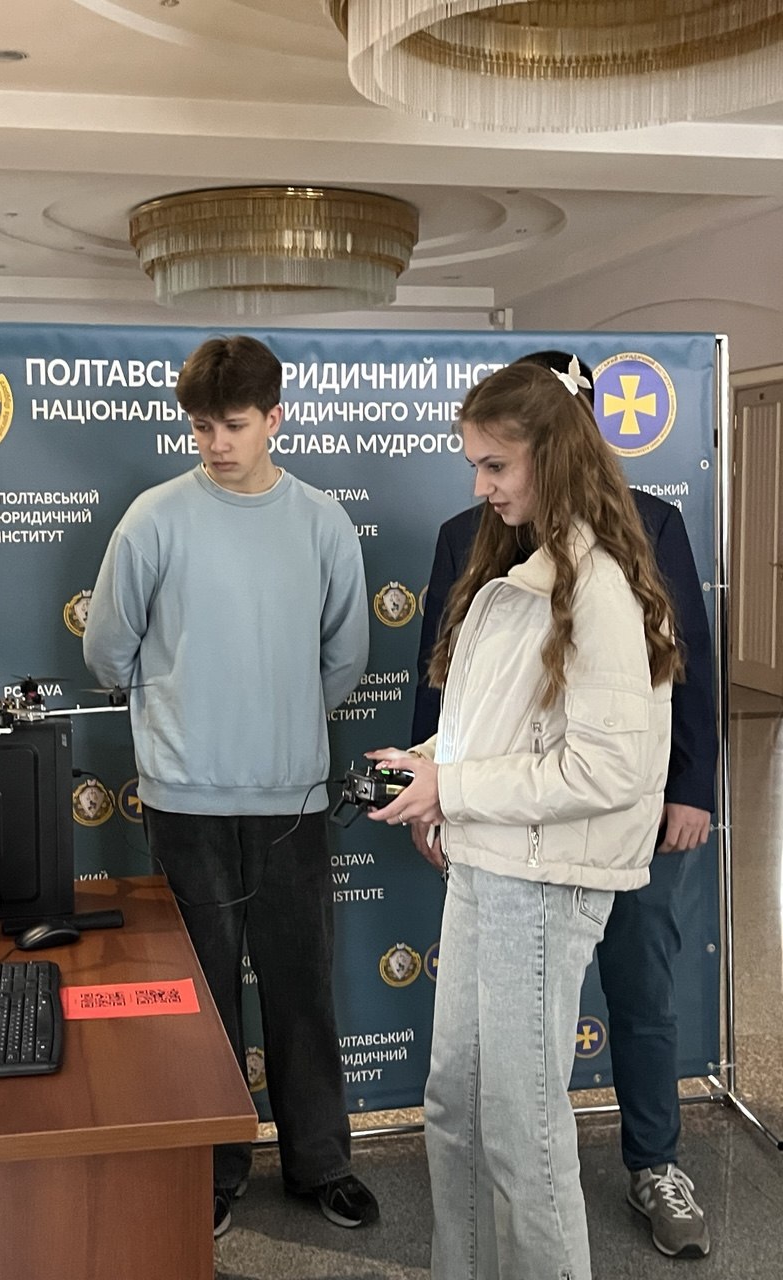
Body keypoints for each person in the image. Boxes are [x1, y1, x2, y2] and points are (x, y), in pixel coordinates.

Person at [366, 358, 681, 1280]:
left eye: (496, 466)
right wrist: (432, 764)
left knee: (520, 1130)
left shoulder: (598, 587)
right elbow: (510, 727)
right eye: (476, 465)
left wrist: (455, 788)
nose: (481, 487)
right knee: (457, 1108)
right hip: (492, 866)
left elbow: (609, 767)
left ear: (554, 455)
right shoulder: (522, 569)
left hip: (542, 885)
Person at [82, 334, 378, 1239]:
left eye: (235, 425)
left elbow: (346, 655)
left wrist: (281, 717)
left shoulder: (322, 522)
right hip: (184, 797)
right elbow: (108, 648)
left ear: (275, 419)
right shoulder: (154, 519)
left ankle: (320, 1162)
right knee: (202, 996)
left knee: (301, 987)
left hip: (291, 797)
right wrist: (181, 712)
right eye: (203, 426)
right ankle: (210, 1169)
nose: (216, 443)